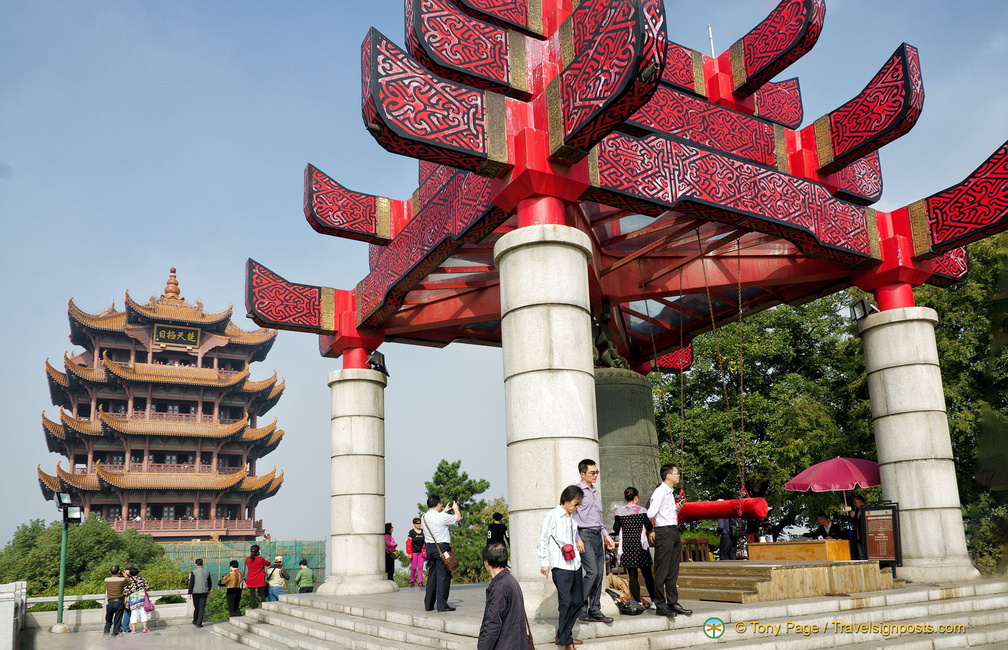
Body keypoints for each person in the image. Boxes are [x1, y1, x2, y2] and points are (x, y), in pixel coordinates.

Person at [537, 485, 586, 650]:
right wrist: (544, 562)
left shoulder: (573, 517)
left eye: (579, 504)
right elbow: (542, 539)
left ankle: (563, 632)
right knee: (565, 601)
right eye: (575, 504)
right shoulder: (552, 515)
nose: (577, 507)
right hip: (560, 564)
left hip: (575, 563)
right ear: (566, 500)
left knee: (578, 601)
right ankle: (566, 641)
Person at [646, 464, 692, 618]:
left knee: (672, 571)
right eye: (676, 473)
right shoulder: (660, 491)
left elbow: (665, 511)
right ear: (668, 476)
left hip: (672, 530)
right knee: (662, 570)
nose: (679, 476)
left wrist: (674, 509)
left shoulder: (670, 492)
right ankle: (660, 604)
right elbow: (651, 512)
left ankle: (673, 602)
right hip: (664, 531)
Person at [575, 458, 614, 624]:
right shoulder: (576, 491)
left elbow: (599, 517)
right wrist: (577, 538)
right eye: (592, 473)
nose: (595, 475)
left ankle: (595, 609)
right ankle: (577, 607)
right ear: (582, 474)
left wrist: (606, 536)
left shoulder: (595, 491)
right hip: (584, 535)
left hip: (598, 535)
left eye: (596, 472)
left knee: (599, 575)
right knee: (593, 572)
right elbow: (572, 516)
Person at [477, 542, 527, 650]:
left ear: (487, 562)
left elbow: (493, 622)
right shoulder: (510, 580)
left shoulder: (499, 586)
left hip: (505, 644)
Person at [612, 487, 655, 607]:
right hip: (641, 546)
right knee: (648, 575)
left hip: (628, 547)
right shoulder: (642, 510)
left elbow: (616, 529)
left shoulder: (619, 512)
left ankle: (638, 602)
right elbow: (649, 527)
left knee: (633, 576)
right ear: (636, 497)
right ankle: (654, 601)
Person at [422, 494, 461, 612]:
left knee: (432, 576)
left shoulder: (423, 516)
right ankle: (442, 605)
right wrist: (455, 508)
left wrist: (444, 511)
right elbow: (458, 518)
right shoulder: (442, 517)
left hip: (430, 548)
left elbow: (437, 518)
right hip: (442, 548)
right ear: (438, 504)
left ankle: (428, 604)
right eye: (441, 504)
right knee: (443, 576)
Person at [103, 565, 128, 636]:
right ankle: (115, 632)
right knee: (118, 618)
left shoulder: (106, 580)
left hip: (110, 601)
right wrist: (125, 575)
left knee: (108, 617)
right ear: (119, 572)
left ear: (110, 572)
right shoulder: (122, 580)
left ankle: (106, 630)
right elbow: (129, 582)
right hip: (119, 601)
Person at [126, 565, 151, 633]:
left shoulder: (129, 580)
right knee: (143, 612)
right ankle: (145, 628)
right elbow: (147, 586)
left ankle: (133, 629)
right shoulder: (141, 579)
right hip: (141, 597)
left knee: (134, 613)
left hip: (133, 598)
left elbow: (126, 591)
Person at [188, 558, 211, 627]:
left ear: (196, 564)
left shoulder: (193, 572)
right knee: (202, 607)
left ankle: (195, 620)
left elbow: (191, 583)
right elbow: (209, 582)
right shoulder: (207, 571)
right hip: (204, 591)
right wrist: (209, 590)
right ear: (202, 564)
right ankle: (199, 623)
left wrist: (189, 592)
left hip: (195, 591)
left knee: (196, 607)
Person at [245, 544, 270, 609]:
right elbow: (268, 563)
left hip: (250, 579)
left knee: (252, 595)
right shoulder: (260, 559)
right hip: (260, 579)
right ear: (258, 551)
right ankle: (264, 607)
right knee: (262, 595)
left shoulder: (247, 559)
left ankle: (253, 607)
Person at [407, 517, 426, 587]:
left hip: (421, 552)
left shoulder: (423, 532)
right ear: (414, 524)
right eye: (417, 523)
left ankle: (420, 582)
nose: (419, 525)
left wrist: (425, 550)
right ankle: (412, 581)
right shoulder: (411, 532)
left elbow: (425, 542)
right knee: (414, 567)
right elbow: (408, 543)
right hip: (414, 552)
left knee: (420, 566)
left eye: (419, 523)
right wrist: (409, 553)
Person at [849, 495, 867, 559]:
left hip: (865, 536)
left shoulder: (867, 509)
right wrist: (852, 518)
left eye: (855, 502)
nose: (855, 504)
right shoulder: (857, 511)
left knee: (867, 554)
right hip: (858, 536)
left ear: (860, 501)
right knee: (861, 555)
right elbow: (854, 523)